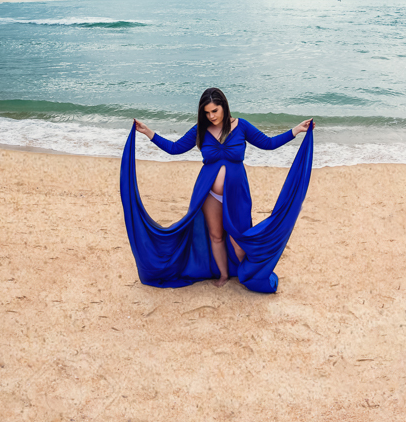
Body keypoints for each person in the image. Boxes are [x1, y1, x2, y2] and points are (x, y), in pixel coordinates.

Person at [120, 87, 314, 292]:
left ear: (224, 107)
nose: (211, 116)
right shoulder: (200, 130)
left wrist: (297, 130)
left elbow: (269, 143)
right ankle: (223, 274)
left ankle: (247, 274)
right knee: (216, 236)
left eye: (215, 111)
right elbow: (174, 148)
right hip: (208, 194)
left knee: (239, 239)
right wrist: (148, 132)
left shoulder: (241, 126)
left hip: (237, 194)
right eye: (207, 112)